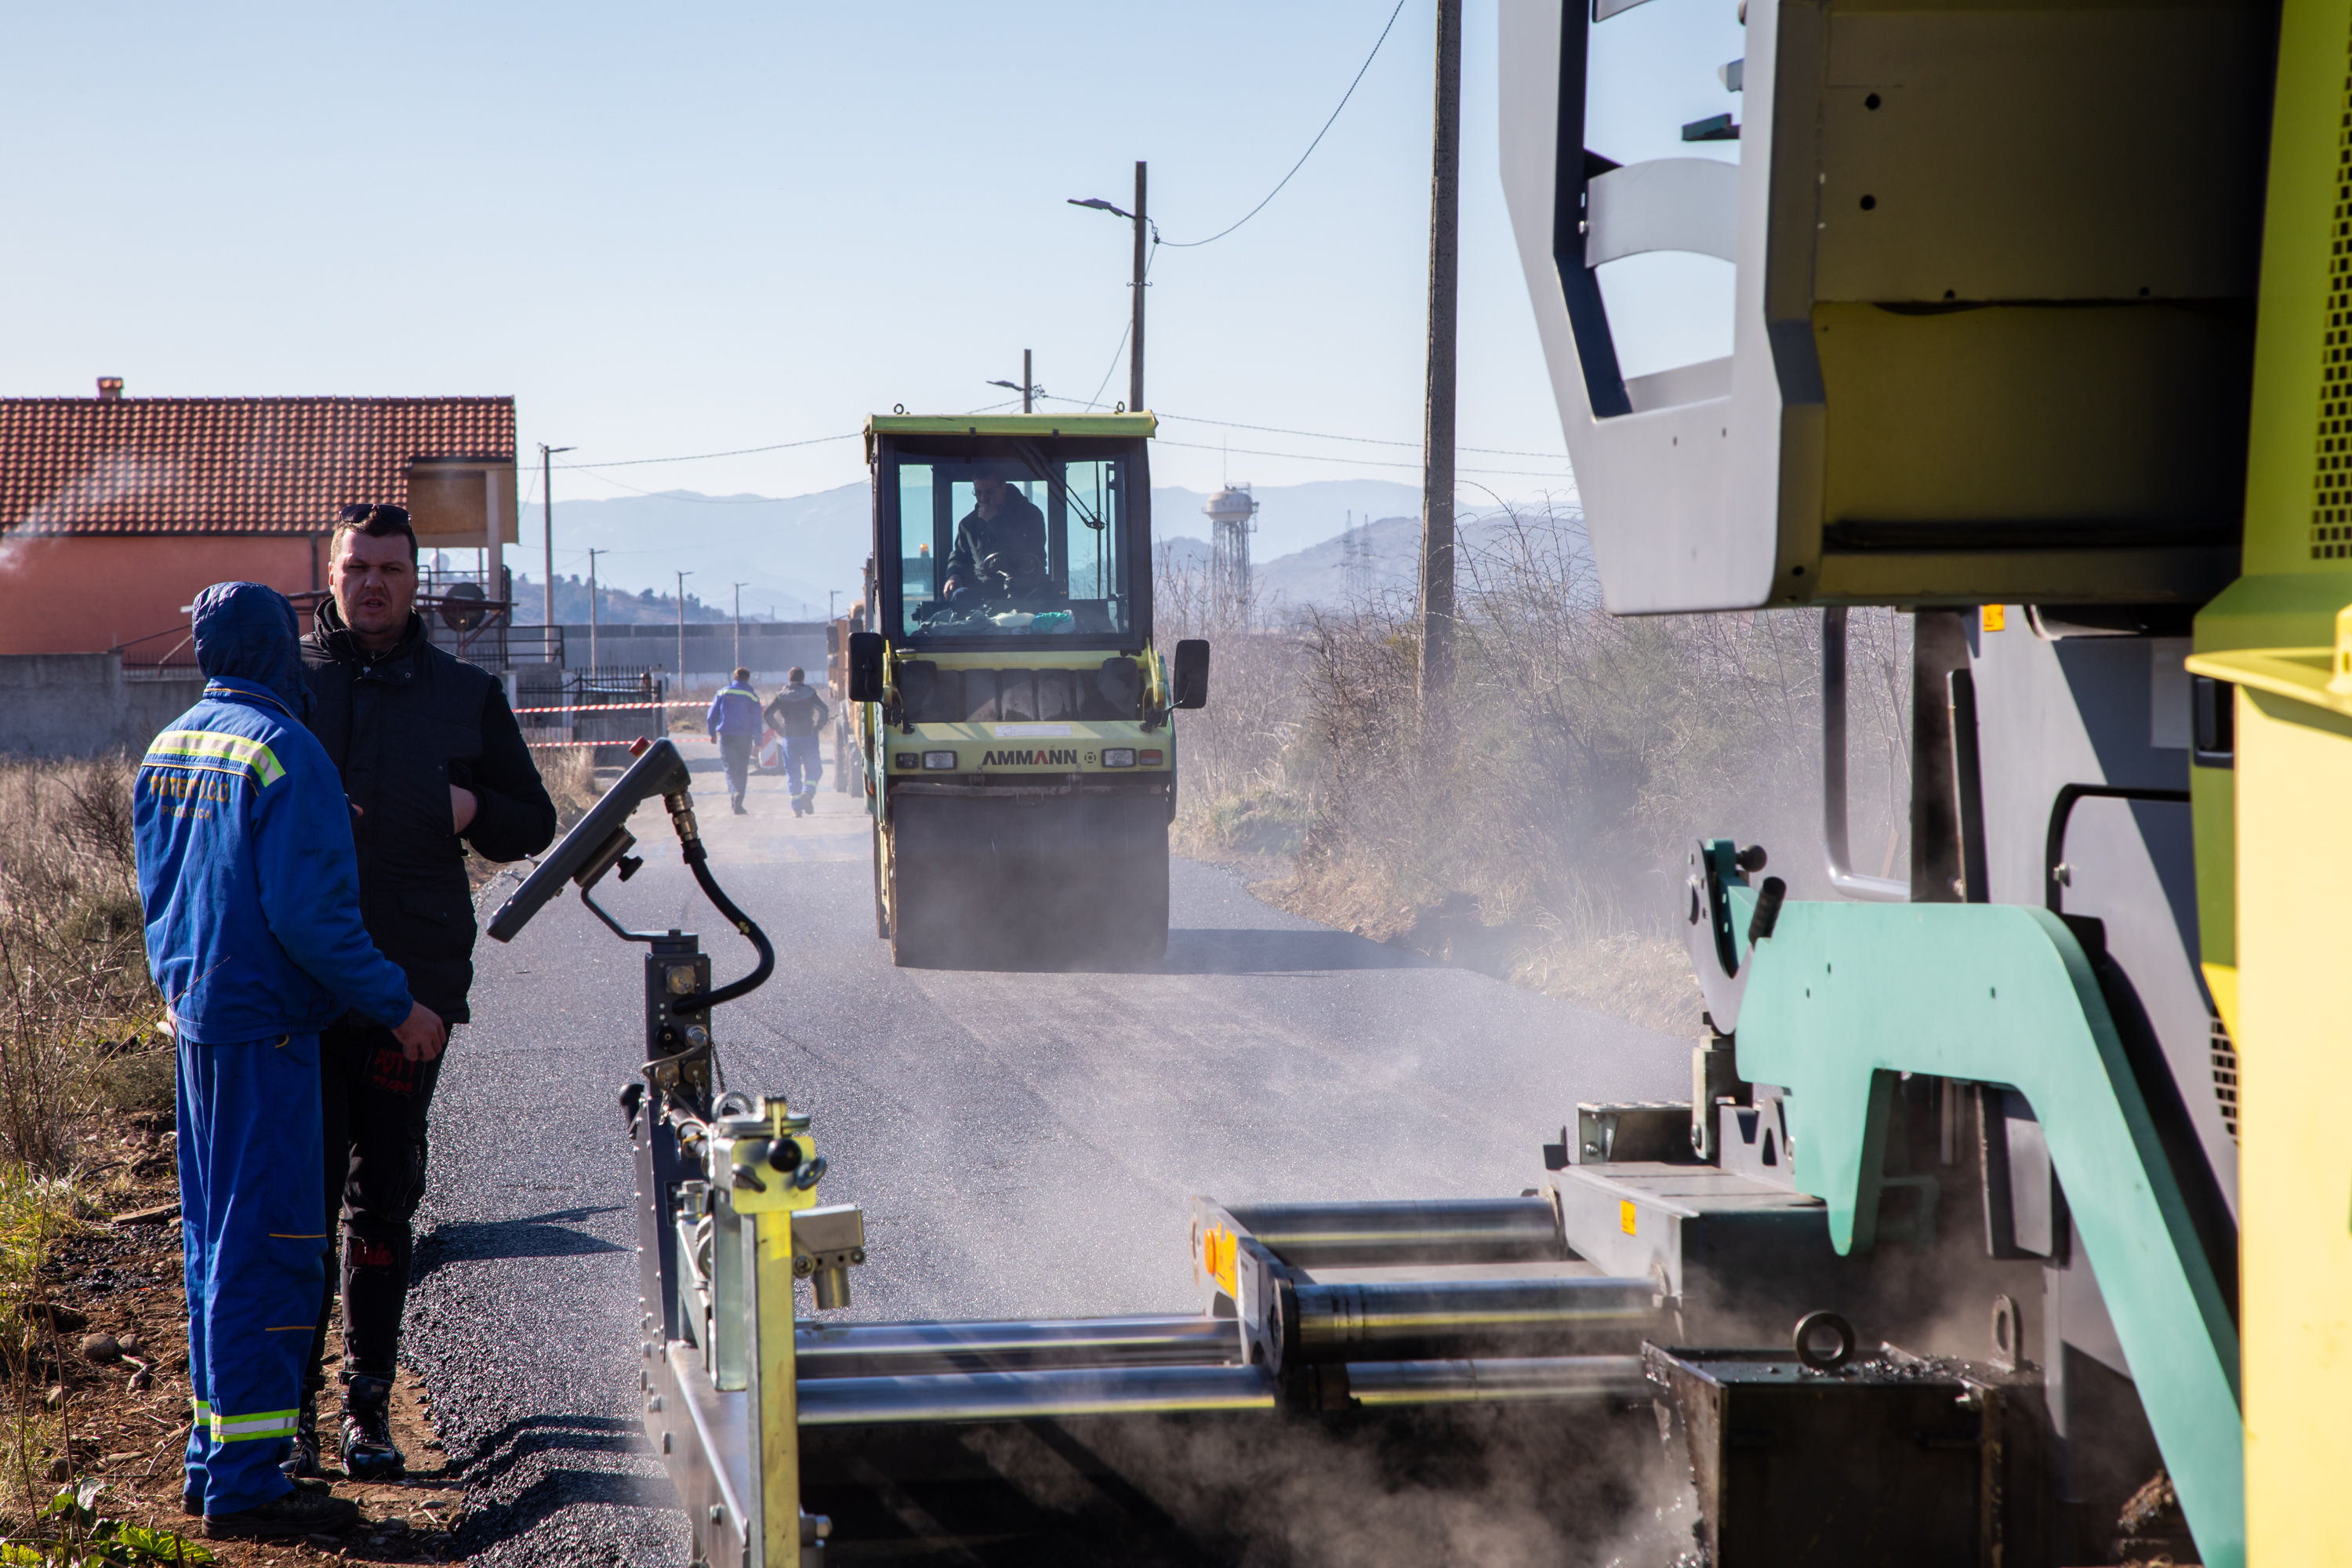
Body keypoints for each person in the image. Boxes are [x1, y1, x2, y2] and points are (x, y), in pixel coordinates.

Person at [136, 581, 448, 1540]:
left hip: (199, 1027)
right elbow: (313, 918)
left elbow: (162, 888)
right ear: (280, 648)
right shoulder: (285, 753)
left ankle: (211, 1454)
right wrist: (400, 1004)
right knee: (270, 1252)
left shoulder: (173, 743)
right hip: (270, 1036)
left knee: (211, 1247)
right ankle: (251, 1483)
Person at [298, 503, 557, 1480]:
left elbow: (529, 819)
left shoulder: (463, 693)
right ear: (330, 573)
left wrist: (468, 805)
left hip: (410, 995)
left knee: (382, 1198)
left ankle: (368, 1405)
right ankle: (290, 1414)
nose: (373, 585)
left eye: (392, 570)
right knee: (299, 1202)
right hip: (297, 996)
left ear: (417, 580)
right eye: (357, 566)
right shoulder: (288, 684)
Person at [942, 477, 1048, 604]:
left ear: (1003, 487)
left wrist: (995, 522)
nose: (983, 499)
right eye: (978, 493)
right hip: (984, 597)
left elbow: (1029, 550)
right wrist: (954, 575)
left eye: (989, 492)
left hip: (1027, 592)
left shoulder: (1030, 515)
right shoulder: (968, 525)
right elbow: (959, 556)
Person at [764, 666, 830, 818]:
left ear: (789, 679)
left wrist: (778, 729)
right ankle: (808, 791)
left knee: (793, 773)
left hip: (789, 738)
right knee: (814, 770)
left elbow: (768, 714)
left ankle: (797, 809)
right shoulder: (810, 693)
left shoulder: (781, 695)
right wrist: (819, 727)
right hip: (809, 736)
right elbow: (824, 710)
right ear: (803, 679)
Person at [707, 666, 762, 814]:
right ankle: (739, 800)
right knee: (742, 769)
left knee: (730, 768)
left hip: (727, 737)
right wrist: (758, 743)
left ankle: (734, 793)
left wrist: (711, 733)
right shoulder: (753, 696)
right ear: (747, 678)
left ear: (735, 678)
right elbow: (757, 722)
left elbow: (711, 715)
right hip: (744, 738)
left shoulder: (723, 692)